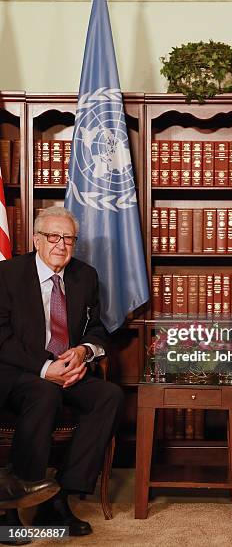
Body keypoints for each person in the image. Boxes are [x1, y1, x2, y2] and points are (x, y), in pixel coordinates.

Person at [0, 206, 124, 538]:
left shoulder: (85, 275)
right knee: (44, 391)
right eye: (53, 237)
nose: (61, 244)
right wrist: (44, 368)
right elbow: (2, 337)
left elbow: (96, 329)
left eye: (68, 238)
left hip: (68, 370)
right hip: (18, 373)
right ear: (37, 240)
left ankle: (58, 498)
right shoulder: (8, 274)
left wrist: (84, 352)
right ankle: (11, 505)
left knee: (108, 396)